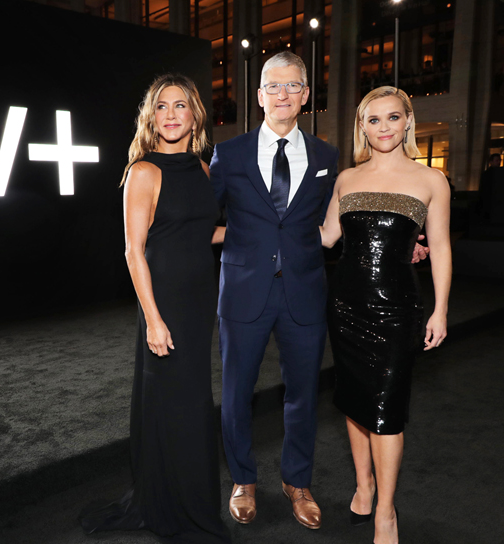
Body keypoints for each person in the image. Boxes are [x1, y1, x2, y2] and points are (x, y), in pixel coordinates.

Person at [79, 74, 230, 543]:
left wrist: (258, 233)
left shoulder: (205, 171)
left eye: (180, 105)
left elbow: (201, 235)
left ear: (194, 116)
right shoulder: (143, 172)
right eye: (162, 106)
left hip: (199, 300)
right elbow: (133, 250)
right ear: (152, 116)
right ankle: (169, 504)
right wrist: (153, 318)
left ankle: (189, 498)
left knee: (192, 403)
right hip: (163, 303)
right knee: (173, 406)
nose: (170, 114)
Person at [209, 51, 340, 530]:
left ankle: (296, 481)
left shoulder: (326, 156)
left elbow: (334, 221)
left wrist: (403, 243)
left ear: (306, 94)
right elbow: (203, 220)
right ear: (259, 94)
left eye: (293, 86)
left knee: (303, 394)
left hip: (305, 291)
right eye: (273, 86)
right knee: (238, 390)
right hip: (244, 290)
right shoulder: (231, 152)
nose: (282, 94)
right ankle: (243, 478)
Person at [320, 86, 452, 544]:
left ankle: (386, 513)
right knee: (356, 401)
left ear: (408, 121)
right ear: (361, 126)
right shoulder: (346, 179)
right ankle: (363, 486)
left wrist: (441, 310)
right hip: (345, 306)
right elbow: (325, 238)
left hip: (397, 309)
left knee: (386, 409)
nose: (383, 128)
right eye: (373, 120)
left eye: (392, 118)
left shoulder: (431, 180)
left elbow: (440, 248)